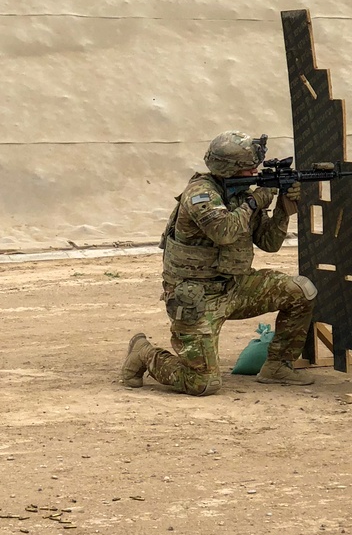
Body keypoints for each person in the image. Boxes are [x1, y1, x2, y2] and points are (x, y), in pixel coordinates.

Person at [121, 130, 318, 396]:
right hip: (198, 297)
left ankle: (277, 365)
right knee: (202, 383)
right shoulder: (200, 195)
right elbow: (224, 232)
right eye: (249, 169)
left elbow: (269, 243)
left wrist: (284, 207)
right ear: (230, 170)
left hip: (235, 287)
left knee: (301, 291)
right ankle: (144, 353)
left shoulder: (240, 194)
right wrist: (254, 201)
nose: (254, 174)